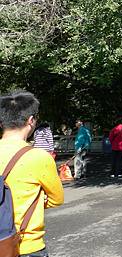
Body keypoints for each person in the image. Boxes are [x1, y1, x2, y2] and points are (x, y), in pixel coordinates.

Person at [0, 91, 64, 257]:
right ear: (30, 120)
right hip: (26, 245)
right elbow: (56, 199)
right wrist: (37, 197)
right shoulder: (39, 157)